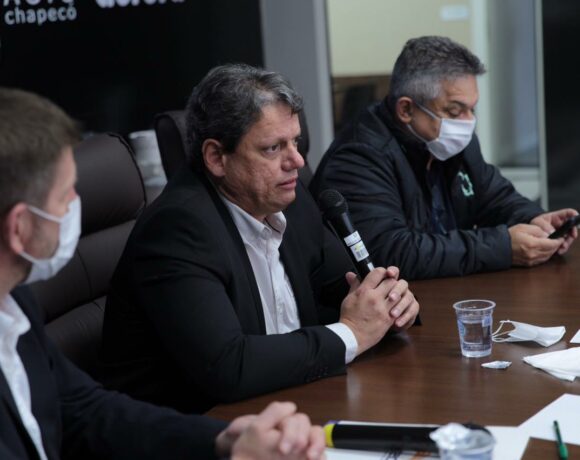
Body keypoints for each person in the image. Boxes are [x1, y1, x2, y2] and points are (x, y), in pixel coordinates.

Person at [0, 87, 326, 460]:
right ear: (19, 227)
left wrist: (224, 441)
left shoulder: (14, 300)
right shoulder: (181, 223)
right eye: (65, 197)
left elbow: (83, 410)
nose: (76, 205)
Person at [100, 64, 419, 413]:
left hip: (288, 400)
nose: (297, 160)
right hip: (198, 423)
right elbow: (228, 366)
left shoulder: (289, 201)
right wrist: (353, 333)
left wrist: (389, 305)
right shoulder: (177, 229)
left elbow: (348, 291)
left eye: (295, 142)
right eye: (272, 148)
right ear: (216, 158)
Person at [310, 36, 578, 280]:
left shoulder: (452, 142)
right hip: (394, 305)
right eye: (454, 111)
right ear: (406, 109)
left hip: (448, 289)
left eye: (472, 109)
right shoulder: (359, 157)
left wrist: (535, 221)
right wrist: (503, 247)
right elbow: (390, 252)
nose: (468, 122)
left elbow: (495, 196)